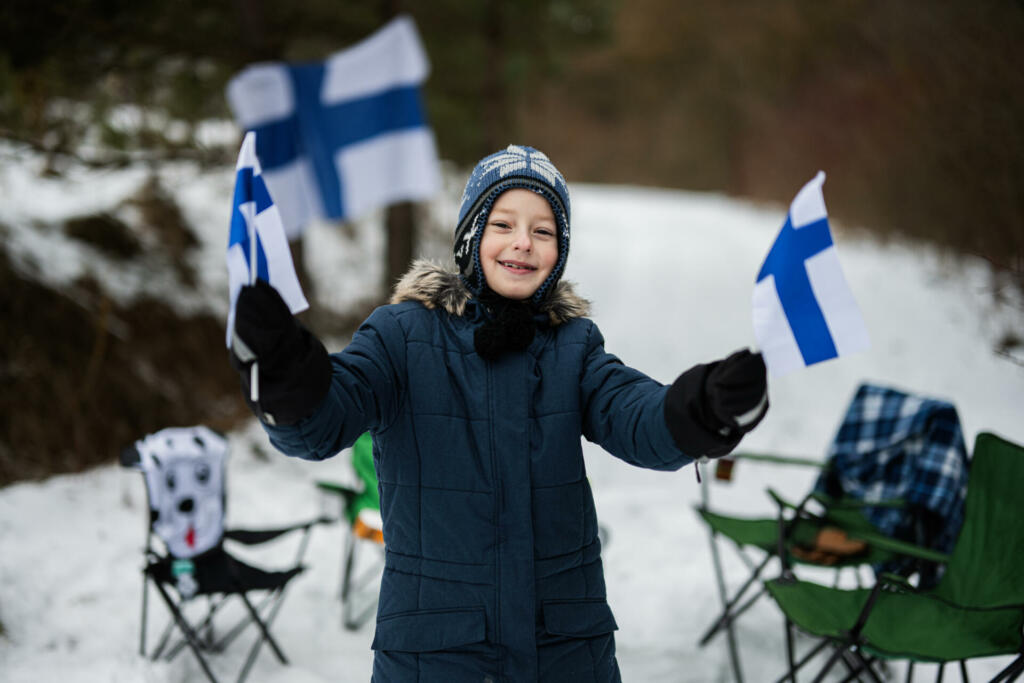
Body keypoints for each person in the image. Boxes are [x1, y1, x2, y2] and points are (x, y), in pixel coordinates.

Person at [230, 144, 768, 682]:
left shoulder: (572, 346)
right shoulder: (401, 336)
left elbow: (637, 415)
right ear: (470, 235)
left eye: (544, 231)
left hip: (563, 652)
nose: (522, 243)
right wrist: (286, 373)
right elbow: (323, 419)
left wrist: (701, 407)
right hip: (438, 655)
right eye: (503, 223)